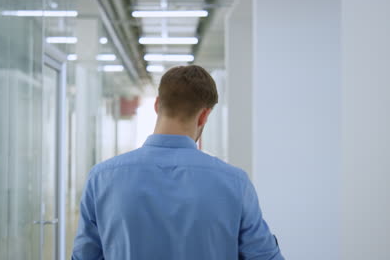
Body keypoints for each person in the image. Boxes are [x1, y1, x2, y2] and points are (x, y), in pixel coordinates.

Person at [71, 65, 284, 260]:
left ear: (156, 105)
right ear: (203, 116)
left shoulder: (101, 178)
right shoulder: (236, 183)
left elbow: (84, 256)